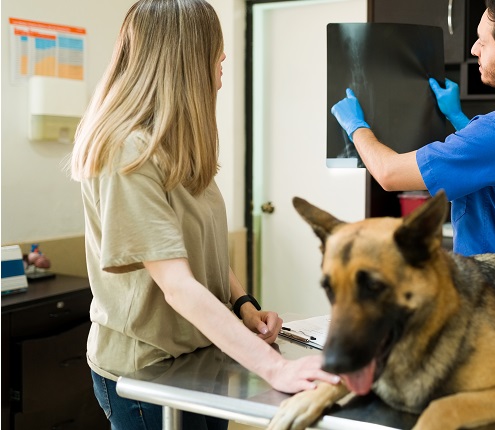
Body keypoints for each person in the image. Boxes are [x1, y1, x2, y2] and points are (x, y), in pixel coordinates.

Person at [69, 0, 339, 428]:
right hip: (146, 370)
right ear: (185, 60)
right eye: (216, 51)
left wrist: (244, 304)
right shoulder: (127, 151)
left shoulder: (178, 148)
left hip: (199, 358)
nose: (224, 60)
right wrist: (275, 368)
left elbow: (196, 250)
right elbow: (177, 285)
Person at [331, 0, 495, 256]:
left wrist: (355, 126)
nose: (473, 49)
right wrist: (457, 117)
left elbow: (389, 174)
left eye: (482, 41)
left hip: (494, 293)